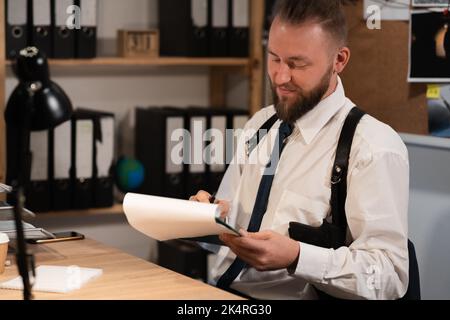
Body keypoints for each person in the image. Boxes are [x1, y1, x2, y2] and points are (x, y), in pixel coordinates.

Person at [190, 0, 409, 300]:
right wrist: (208, 215)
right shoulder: (261, 124)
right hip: (221, 294)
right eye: (274, 58)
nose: (280, 77)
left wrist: (298, 257)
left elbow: (389, 276)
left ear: (339, 60)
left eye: (297, 64)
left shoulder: (372, 147)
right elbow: (230, 220)